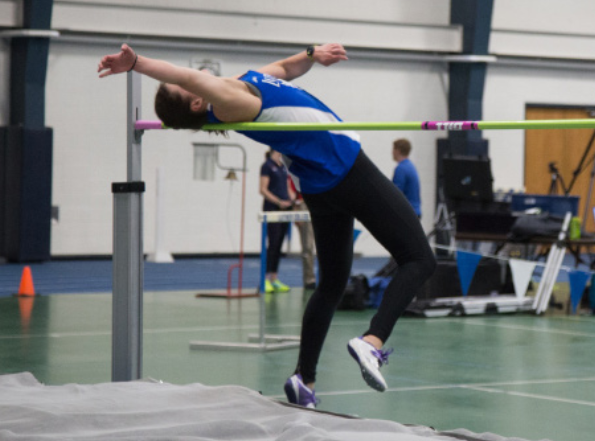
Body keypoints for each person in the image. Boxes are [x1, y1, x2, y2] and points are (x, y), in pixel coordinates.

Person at [98, 43, 436, 408]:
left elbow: (283, 70)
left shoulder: (238, 84)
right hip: (345, 166)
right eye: (191, 86)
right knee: (419, 259)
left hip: (320, 184)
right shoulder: (227, 100)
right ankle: (372, 342)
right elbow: (186, 75)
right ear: (197, 102)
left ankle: (302, 378)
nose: (200, 76)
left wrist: (311, 55)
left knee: (333, 283)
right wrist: (137, 64)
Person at [260, 149, 294, 293]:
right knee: (272, 243)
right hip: (273, 209)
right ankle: (266, 279)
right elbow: (263, 189)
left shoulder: (283, 167)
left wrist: (291, 198)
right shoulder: (267, 166)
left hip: (285, 210)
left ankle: (274, 278)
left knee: (279, 243)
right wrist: (279, 201)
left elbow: (288, 188)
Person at [289, 176, 317, 291]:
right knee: (308, 246)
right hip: (304, 205)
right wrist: (296, 209)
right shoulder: (296, 170)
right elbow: (291, 189)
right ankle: (310, 279)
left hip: (319, 202)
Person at [392, 138, 421, 218]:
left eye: (393, 149)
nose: (392, 152)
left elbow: (396, 193)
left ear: (398, 151)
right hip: (415, 211)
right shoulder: (410, 166)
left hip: (407, 213)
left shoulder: (401, 168)